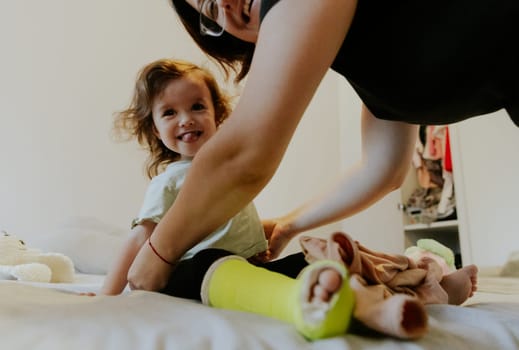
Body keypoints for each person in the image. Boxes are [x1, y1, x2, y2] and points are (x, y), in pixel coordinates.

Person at [128, 0, 500, 293]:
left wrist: (158, 254)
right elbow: (383, 169)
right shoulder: (368, 52)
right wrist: (289, 225)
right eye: (210, 9)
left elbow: (244, 156)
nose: (227, 7)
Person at [101, 58, 355, 340]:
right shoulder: (169, 181)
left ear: (217, 115)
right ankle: (298, 305)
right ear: (156, 131)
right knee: (209, 259)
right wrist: (107, 295)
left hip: (244, 266)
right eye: (170, 112)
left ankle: (349, 289)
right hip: (193, 271)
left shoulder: (230, 172)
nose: (186, 119)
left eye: (197, 107)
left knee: (307, 260)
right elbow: (140, 238)